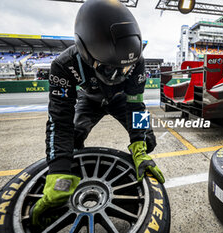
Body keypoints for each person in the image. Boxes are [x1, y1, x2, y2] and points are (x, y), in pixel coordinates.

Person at [30, 0, 164, 229]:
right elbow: (59, 120)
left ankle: (128, 185)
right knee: (71, 141)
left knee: (147, 140)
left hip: (121, 100)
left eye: (124, 69)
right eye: (109, 68)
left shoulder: (136, 61)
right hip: (89, 101)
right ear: (85, 53)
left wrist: (139, 146)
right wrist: (58, 171)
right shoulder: (63, 65)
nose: (119, 76)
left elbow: (137, 106)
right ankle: (68, 188)